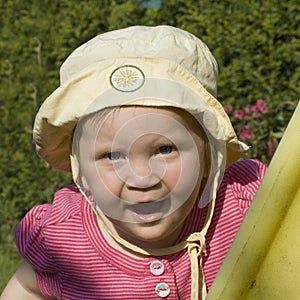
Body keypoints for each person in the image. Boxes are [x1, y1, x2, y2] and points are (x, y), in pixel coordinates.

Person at [1, 25, 266, 300]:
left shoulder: (241, 202)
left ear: (209, 156)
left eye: (165, 149)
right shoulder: (65, 237)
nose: (142, 178)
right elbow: (28, 287)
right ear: (81, 172)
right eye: (112, 156)